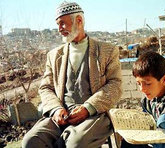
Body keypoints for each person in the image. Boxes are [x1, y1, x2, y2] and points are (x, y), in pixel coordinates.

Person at [22, 1, 122, 148]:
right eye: (57, 24)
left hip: (94, 115)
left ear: (79, 20)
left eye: (62, 23)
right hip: (61, 116)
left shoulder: (107, 51)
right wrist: (56, 109)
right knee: (31, 140)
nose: (59, 29)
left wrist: (88, 108)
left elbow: (115, 85)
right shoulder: (54, 55)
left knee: (75, 144)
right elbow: (45, 88)